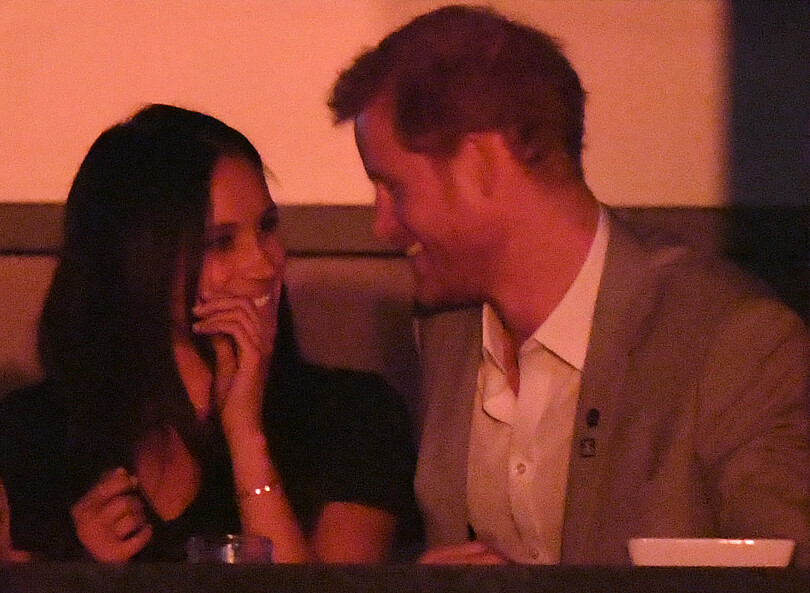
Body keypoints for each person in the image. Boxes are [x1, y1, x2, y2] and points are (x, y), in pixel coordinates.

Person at [328, 5, 810, 565]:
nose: (382, 226)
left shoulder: (735, 342)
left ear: (482, 161)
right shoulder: (449, 328)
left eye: (393, 187)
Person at [0, 104, 418, 562]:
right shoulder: (31, 438)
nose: (264, 264)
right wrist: (80, 572)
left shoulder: (354, 416)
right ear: (139, 261)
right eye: (220, 242)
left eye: (267, 227)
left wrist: (246, 437)